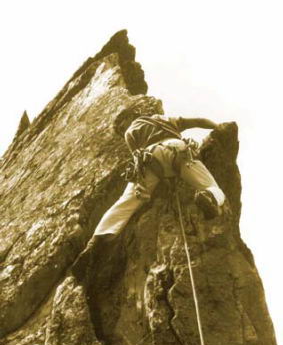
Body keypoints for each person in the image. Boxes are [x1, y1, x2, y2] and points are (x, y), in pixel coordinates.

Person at [71, 106, 226, 280]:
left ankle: (96, 242)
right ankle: (209, 197)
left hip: (150, 159)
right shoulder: (162, 119)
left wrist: (142, 187)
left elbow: (137, 158)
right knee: (211, 186)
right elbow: (199, 121)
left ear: (126, 122)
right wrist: (218, 127)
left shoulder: (130, 132)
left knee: (126, 203)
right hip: (177, 150)